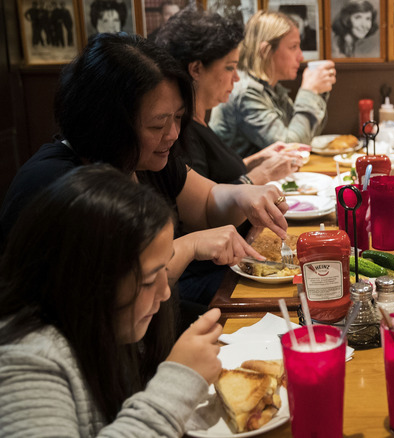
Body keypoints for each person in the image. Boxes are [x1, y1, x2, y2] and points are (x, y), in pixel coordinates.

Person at [0, 33, 287, 311]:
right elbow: (112, 296)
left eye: (178, 117)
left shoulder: (144, 157)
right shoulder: (57, 184)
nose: (173, 134)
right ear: (107, 122)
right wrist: (190, 246)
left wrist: (245, 194)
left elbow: (207, 202)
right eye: (158, 124)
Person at [0, 165, 222, 435]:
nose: (165, 293)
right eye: (150, 280)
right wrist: (180, 380)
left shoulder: (111, 333)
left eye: (166, 269)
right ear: (87, 281)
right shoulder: (29, 360)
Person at [155, 6, 306, 186]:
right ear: (196, 69)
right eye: (229, 67)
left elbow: (219, 175)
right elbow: (207, 205)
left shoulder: (198, 120)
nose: (236, 77)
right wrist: (263, 174)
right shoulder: (183, 132)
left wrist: (258, 159)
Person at [209, 10, 336, 158]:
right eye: (293, 47)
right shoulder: (245, 92)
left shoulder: (270, 87)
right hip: (234, 181)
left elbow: (305, 135)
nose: (301, 57)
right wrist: (309, 92)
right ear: (266, 51)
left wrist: (317, 92)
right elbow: (291, 148)